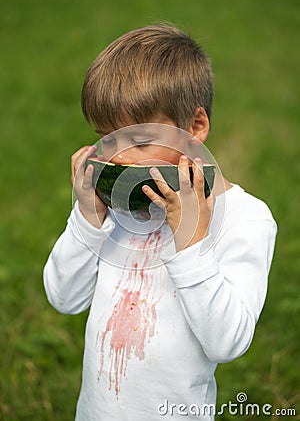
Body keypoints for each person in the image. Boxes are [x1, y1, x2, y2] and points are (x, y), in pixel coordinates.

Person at [43, 25, 277, 420]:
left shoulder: (247, 219)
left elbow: (228, 342)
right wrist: (86, 217)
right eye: (107, 139)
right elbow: (64, 299)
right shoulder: (116, 209)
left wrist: (191, 241)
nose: (120, 159)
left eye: (136, 141)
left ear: (195, 128)